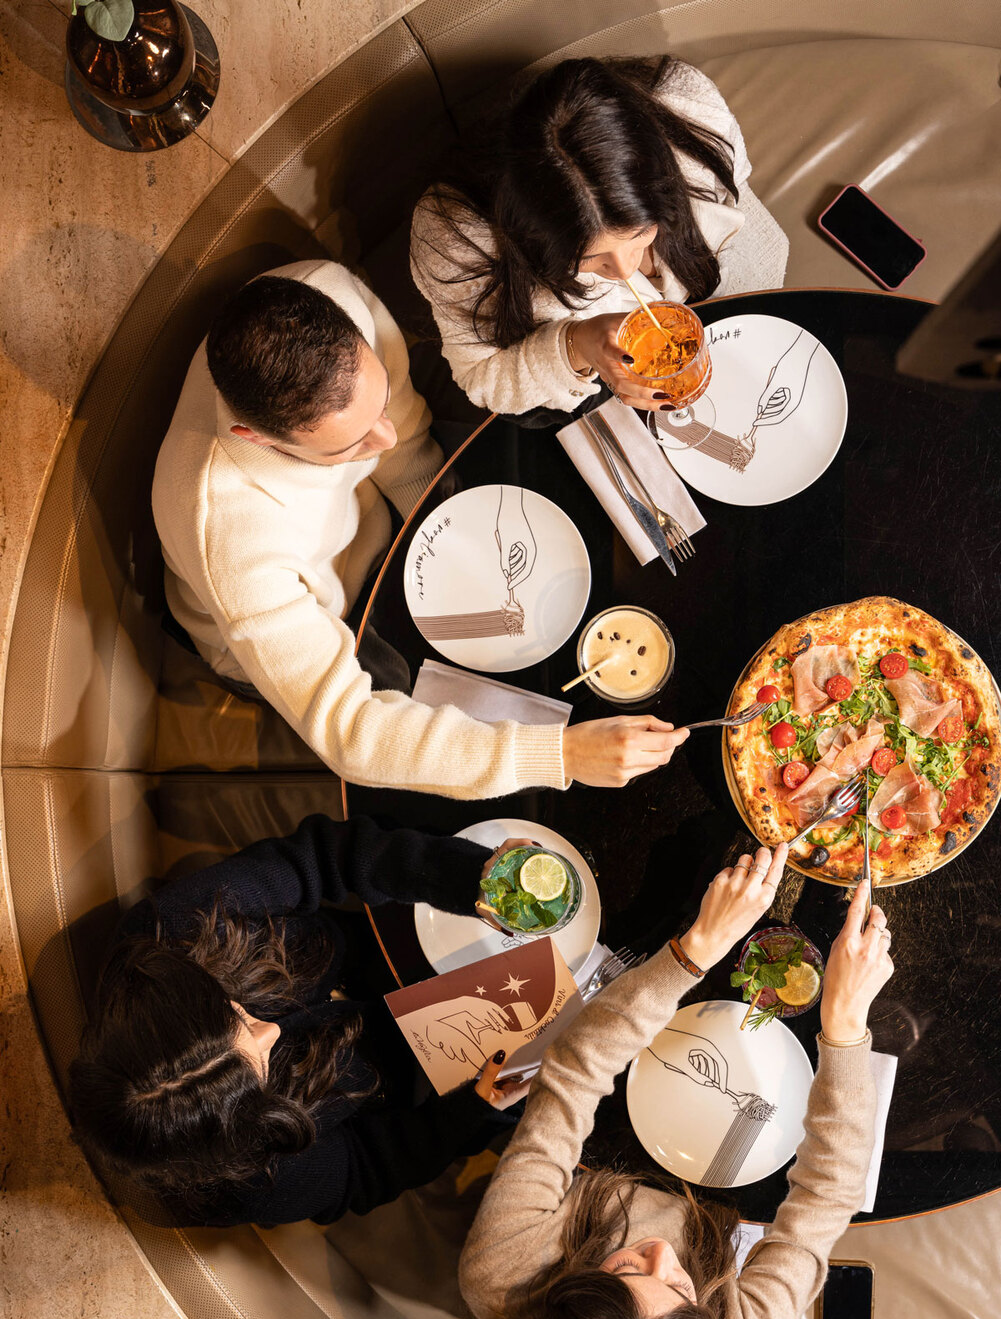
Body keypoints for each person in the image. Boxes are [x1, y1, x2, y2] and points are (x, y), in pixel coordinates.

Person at [152, 261, 688, 795]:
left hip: (386, 523)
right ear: (258, 439)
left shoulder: (328, 290)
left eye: (379, 403)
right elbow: (351, 733)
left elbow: (405, 444)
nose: (383, 439)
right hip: (327, 619)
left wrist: (440, 524)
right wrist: (558, 754)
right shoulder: (227, 535)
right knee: (454, 723)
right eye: (350, 445)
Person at [459, 845, 894, 1319]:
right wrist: (845, 1028)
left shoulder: (502, 1274)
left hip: (595, 1159)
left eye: (631, 1266)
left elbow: (574, 1072)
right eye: (680, 1289)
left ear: (575, 1286)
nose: (664, 1254)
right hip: (736, 1188)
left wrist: (694, 953)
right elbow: (825, 1198)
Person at [69, 814, 532, 1227]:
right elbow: (366, 1167)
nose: (272, 1031)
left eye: (236, 1014)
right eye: (260, 1065)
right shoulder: (248, 1183)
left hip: (386, 937)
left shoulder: (164, 934)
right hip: (425, 1054)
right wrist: (470, 1112)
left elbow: (323, 857)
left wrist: (459, 874)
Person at [410, 56, 789, 419]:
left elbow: (739, 203)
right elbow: (481, 377)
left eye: (640, 233)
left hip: (751, 318)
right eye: (588, 257)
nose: (624, 270)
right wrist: (576, 344)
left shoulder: (688, 108)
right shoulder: (457, 238)